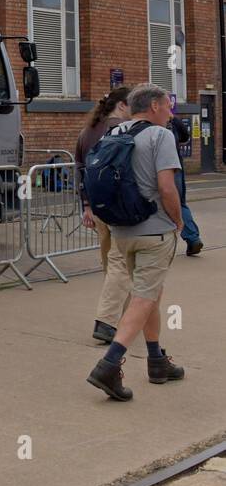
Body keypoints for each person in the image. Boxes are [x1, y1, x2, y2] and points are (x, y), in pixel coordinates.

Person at [86, 83, 185, 401]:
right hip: (154, 231)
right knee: (144, 297)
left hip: (122, 231)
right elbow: (167, 188)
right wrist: (178, 220)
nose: (170, 112)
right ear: (154, 105)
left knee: (150, 293)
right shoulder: (160, 136)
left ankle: (157, 361)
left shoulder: (114, 132)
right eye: (168, 105)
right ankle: (109, 364)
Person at [75, 86, 131, 344]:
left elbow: (80, 168)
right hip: (120, 206)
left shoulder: (88, 131)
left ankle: (126, 317)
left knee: (111, 264)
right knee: (123, 264)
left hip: (97, 207)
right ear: (122, 105)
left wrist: (86, 204)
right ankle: (109, 320)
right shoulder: (123, 130)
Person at [169, 115, 203, 255]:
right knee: (179, 203)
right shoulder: (173, 120)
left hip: (155, 169)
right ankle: (193, 238)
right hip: (175, 166)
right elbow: (184, 137)